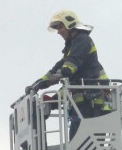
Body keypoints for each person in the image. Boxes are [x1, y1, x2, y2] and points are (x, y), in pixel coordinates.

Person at [25, 10, 110, 138]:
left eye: (60, 27)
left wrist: (43, 85)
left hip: (93, 106)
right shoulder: (72, 48)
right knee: (78, 146)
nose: (58, 32)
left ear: (70, 25)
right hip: (83, 107)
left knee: (83, 146)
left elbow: (67, 69)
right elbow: (65, 80)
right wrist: (39, 87)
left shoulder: (83, 40)